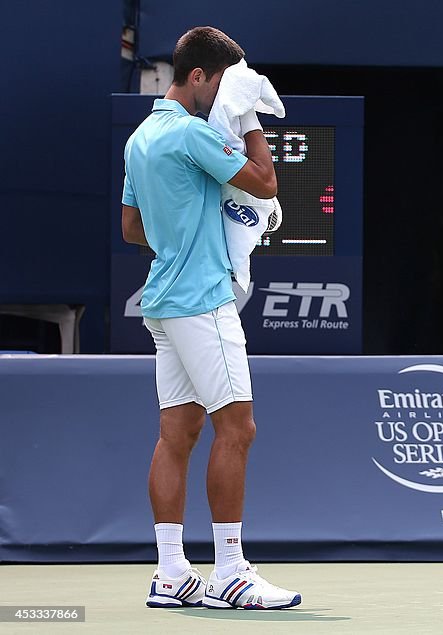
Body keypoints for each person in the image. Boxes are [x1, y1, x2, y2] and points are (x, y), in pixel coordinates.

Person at [121, 26, 300, 610]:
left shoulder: (141, 139)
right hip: (202, 302)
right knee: (238, 429)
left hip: (163, 303)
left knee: (178, 434)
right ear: (197, 76)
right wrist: (248, 119)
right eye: (221, 87)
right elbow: (266, 184)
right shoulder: (192, 136)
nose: (222, 98)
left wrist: (178, 239)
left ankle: (171, 573)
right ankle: (231, 571)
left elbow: (131, 228)